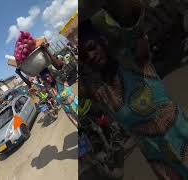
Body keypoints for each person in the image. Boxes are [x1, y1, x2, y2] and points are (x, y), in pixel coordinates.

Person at [80, 17, 188, 179]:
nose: (91, 56)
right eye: (84, 56)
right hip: (162, 163)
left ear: (103, 42)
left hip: (183, 134)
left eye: (92, 48)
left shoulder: (134, 60)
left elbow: (134, 23)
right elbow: (69, 86)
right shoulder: (102, 93)